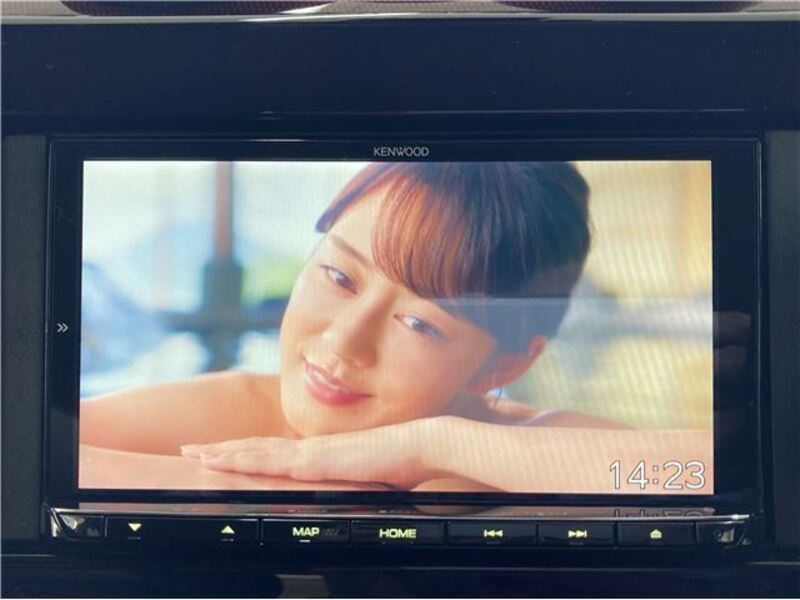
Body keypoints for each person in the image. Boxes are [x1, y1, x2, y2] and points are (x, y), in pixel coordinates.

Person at [80, 162, 712, 494]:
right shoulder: (235, 413)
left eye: (419, 322)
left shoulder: (518, 443)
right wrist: (262, 480)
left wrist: (429, 446)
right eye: (339, 276)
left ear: (503, 365)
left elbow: (711, 475)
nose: (342, 342)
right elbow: (37, 454)